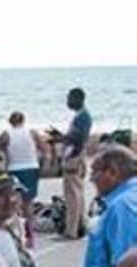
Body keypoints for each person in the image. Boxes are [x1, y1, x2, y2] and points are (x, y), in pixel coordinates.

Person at [51, 88, 93, 238]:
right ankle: (80, 226)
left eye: (70, 98)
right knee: (78, 193)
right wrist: (62, 137)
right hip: (76, 155)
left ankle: (71, 231)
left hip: (74, 157)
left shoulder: (82, 117)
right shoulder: (82, 116)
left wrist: (65, 142)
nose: (68, 101)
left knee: (72, 195)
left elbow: (78, 139)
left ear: (77, 98)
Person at [0, 112, 45, 225]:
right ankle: (29, 226)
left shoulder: (6, 134)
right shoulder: (32, 133)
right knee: (29, 201)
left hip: (14, 169)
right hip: (31, 167)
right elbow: (43, 149)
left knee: (15, 199)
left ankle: (18, 225)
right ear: (23, 120)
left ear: (10, 122)